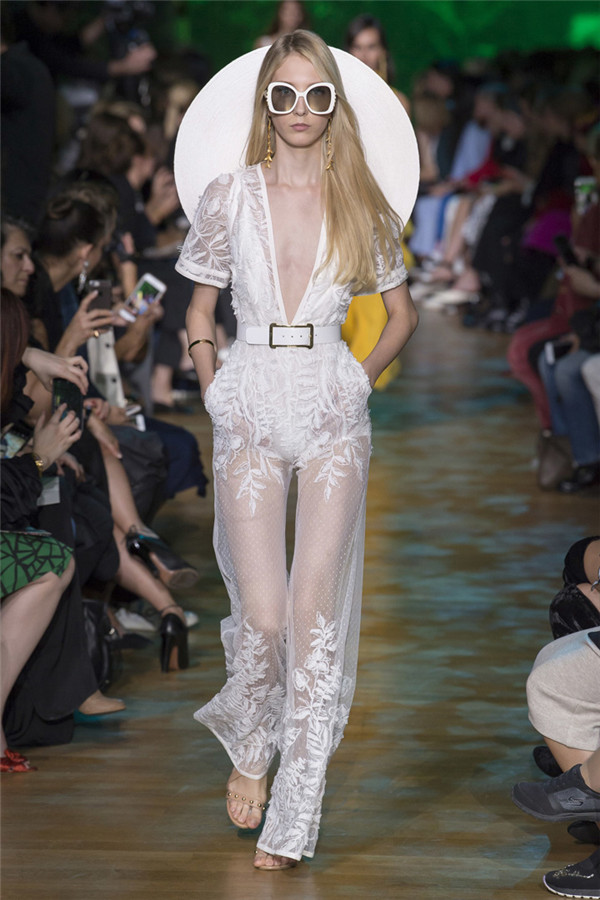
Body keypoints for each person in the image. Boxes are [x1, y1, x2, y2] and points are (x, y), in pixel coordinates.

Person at [175, 31, 418, 869]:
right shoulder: (228, 196)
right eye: (285, 95)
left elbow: (401, 315)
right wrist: (211, 382)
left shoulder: (361, 201)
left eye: (317, 95)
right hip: (247, 397)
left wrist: (358, 379)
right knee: (266, 616)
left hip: (330, 405)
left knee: (314, 617)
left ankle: (294, 816)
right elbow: (197, 309)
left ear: (335, 105)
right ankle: (253, 743)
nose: (301, 109)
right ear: (265, 103)